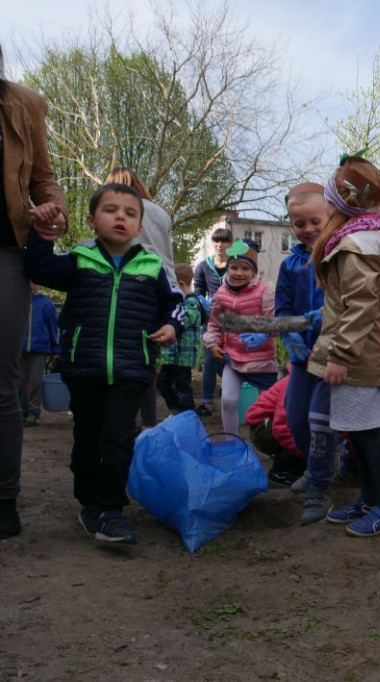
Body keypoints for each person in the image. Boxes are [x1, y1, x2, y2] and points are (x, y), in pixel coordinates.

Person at [25, 182, 182, 544]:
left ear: (140, 227)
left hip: (131, 370)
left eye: (130, 213)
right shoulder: (79, 260)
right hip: (85, 369)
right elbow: (39, 267)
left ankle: (111, 511)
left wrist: (172, 326)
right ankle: (88, 503)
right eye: (111, 210)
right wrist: (45, 233)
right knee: (88, 441)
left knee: (118, 439)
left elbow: (175, 303)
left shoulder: (151, 265)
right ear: (92, 220)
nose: (121, 218)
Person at [308, 153, 380, 537]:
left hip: (356, 356)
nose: (327, 203)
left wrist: (341, 355)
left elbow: (361, 304)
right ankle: (370, 499)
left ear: (341, 204)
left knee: (365, 434)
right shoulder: (359, 242)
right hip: (360, 352)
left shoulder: (353, 247)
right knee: (356, 431)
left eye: (330, 197)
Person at [1, 45, 69, 537]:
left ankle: (4, 497)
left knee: (2, 384)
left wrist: (54, 211)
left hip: (5, 251)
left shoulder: (22, 104)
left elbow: (44, 179)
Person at [105, 167, 176, 431]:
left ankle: (119, 422)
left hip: (130, 287)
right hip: (161, 289)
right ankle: (148, 424)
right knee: (146, 360)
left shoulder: (117, 210)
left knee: (118, 357)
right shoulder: (159, 212)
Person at [275, 183, 329, 494]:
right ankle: (314, 465)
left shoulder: (336, 257)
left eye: (314, 222)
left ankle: (322, 476)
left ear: (329, 217)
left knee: (323, 419)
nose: (307, 229)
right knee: (296, 418)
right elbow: (282, 307)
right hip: (301, 356)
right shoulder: (289, 265)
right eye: (299, 223)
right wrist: (291, 340)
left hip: (332, 353)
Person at [202, 238, 277, 436]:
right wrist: (212, 344)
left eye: (245, 268)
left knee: (271, 407)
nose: (239, 273)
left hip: (262, 360)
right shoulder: (221, 293)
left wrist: (263, 332)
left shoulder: (264, 294)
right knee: (228, 402)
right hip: (232, 357)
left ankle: (275, 445)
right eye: (234, 267)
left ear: (253, 271)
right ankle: (230, 442)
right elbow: (214, 324)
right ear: (228, 268)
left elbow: (274, 324)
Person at [193, 226, 233, 416]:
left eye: (224, 241)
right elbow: (199, 292)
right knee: (210, 361)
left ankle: (230, 393)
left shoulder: (236, 265)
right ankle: (207, 402)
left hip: (234, 321)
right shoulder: (203, 266)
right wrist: (204, 303)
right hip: (211, 322)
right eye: (216, 241)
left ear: (230, 244)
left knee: (230, 360)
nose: (219, 245)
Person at [156, 264, 205, 415]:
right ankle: (176, 410)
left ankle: (188, 415)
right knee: (162, 383)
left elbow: (186, 319)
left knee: (183, 387)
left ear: (181, 284)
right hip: (170, 356)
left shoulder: (191, 302)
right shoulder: (176, 302)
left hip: (183, 357)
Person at [245, 373, 305, 483]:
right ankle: (280, 470)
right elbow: (281, 429)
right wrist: (306, 452)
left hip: (278, 424)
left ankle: (296, 465)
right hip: (262, 428)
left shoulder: (310, 381)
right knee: (302, 432)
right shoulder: (295, 385)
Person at [20, 282, 59, 426]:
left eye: (34, 283)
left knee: (35, 381)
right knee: (20, 381)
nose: (31, 285)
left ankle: (34, 412)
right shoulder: (19, 302)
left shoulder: (46, 304)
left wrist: (56, 349)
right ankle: (22, 410)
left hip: (39, 349)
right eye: (29, 282)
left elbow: (53, 329)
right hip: (20, 348)